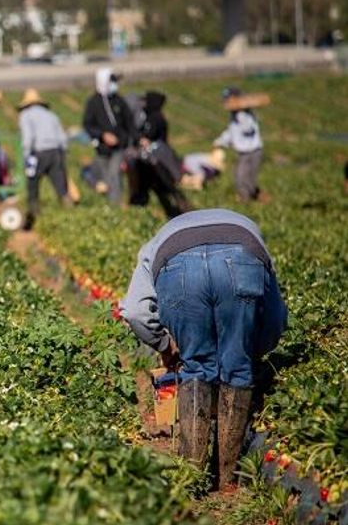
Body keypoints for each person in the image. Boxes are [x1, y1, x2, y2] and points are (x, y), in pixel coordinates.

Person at [120, 209, 287, 489]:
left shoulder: (156, 243)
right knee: (237, 371)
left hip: (179, 269)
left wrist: (164, 345)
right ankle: (228, 479)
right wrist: (250, 350)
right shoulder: (248, 227)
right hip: (241, 258)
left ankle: (193, 476)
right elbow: (275, 318)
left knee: (196, 368)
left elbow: (135, 312)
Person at [132, 91, 192, 218]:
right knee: (158, 188)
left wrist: (142, 139)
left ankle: (180, 209)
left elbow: (149, 136)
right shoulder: (149, 117)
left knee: (165, 186)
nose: (144, 104)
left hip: (158, 160)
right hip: (151, 160)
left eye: (146, 101)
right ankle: (173, 210)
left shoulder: (157, 118)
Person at [18, 88, 70, 229]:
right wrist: (63, 154)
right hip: (55, 152)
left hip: (38, 153)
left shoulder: (26, 115)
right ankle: (70, 215)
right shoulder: (51, 115)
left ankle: (35, 217)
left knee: (33, 185)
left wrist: (26, 156)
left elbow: (28, 138)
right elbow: (62, 137)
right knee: (61, 186)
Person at [82, 67, 135, 205]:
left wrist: (130, 140)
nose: (114, 84)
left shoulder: (118, 100)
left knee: (114, 174)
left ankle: (116, 205)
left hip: (119, 147)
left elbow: (129, 122)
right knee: (107, 177)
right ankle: (111, 204)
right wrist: (102, 135)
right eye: (112, 81)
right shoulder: (93, 103)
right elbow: (87, 125)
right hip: (102, 148)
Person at [214, 88, 266, 202]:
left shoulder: (244, 114)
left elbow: (248, 128)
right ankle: (247, 197)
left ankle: (250, 197)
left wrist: (242, 114)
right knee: (239, 176)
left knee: (246, 177)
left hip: (253, 151)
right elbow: (231, 132)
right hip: (243, 153)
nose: (226, 102)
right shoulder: (234, 116)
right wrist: (220, 141)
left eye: (228, 99)